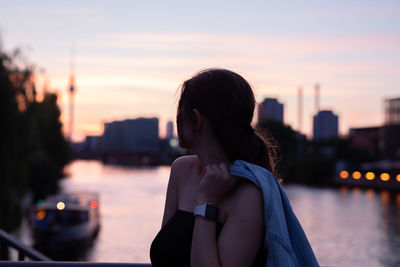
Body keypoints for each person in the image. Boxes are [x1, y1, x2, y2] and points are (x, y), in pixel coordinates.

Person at [150, 69, 319, 267]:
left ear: (196, 119)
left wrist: (206, 202)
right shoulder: (182, 170)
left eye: (180, 110)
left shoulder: (250, 193)